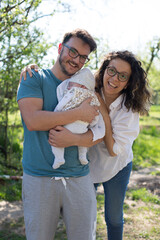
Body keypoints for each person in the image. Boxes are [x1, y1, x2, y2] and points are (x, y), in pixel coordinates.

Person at [20, 50, 151, 240]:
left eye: (123, 76)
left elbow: (114, 150)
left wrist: (103, 112)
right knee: (84, 214)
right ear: (104, 69)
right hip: (89, 164)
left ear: (129, 82)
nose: (114, 79)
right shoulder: (89, 85)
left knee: (113, 218)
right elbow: (62, 72)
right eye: (111, 71)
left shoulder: (129, 110)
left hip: (116, 167)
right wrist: (33, 69)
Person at [17, 28, 103, 240]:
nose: (76, 60)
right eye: (72, 52)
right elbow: (33, 121)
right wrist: (78, 112)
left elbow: (100, 130)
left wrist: (75, 139)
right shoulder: (34, 78)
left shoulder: (88, 86)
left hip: (80, 177)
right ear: (60, 48)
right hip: (40, 178)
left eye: (83, 57)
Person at [52, 67, 105, 169]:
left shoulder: (72, 93)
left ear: (81, 86)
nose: (68, 87)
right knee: (82, 144)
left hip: (67, 126)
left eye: (71, 84)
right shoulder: (92, 98)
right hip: (83, 127)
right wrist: (93, 123)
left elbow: (62, 105)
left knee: (56, 141)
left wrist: (56, 115)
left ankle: (59, 158)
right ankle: (82, 156)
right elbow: (96, 112)